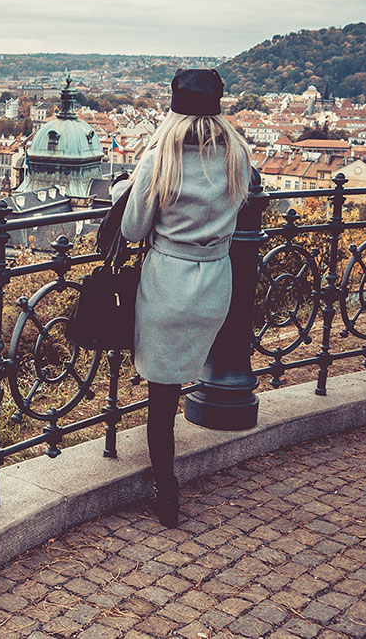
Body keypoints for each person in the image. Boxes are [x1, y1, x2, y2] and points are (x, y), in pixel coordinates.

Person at [109, 69, 252, 527]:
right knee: (177, 380)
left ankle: (166, 491)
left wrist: (125, 193)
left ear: (173, 105)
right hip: (216, 283)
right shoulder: (237, 155)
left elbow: (132, 230)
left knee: (162, 396)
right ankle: (165, 483)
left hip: (168, 283)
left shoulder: (161, 158)